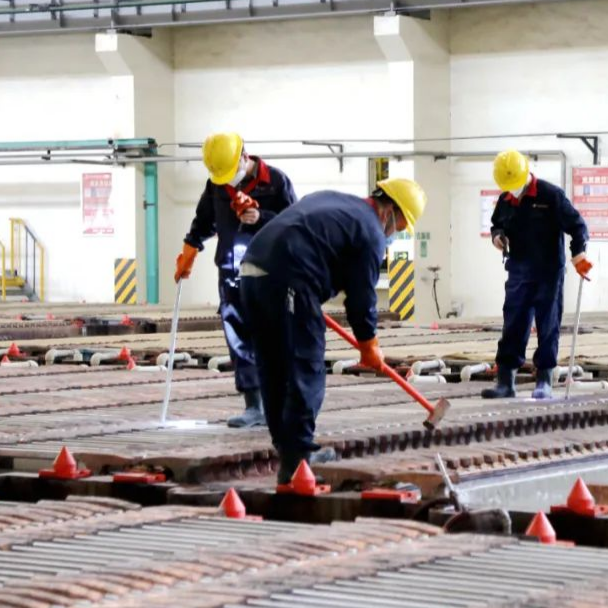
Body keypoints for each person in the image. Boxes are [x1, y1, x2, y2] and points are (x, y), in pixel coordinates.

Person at [239, 178, 427, 483]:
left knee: (273, 366)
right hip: (288, 278)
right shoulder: (371, 232)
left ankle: (290, 453)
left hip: (251, 273)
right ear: (389, 211)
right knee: (307, 365)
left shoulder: (336, 201)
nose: (395, 234)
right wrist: (369, 344)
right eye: (401, 226)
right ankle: (298, 457)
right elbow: (362, 298)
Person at [174, 132, 297, 428]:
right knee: (238, 339)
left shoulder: (276, 182)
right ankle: (254, 406)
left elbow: (295, 222)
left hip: (269, 274)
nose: (228, 179)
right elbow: (205, 220)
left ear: (244, 156)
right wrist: (190, 248)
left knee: (274, 338)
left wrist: (261, 217)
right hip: (231, 274)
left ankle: (283, 404)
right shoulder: (217, 184)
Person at [481, 150, 591, 400]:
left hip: (548, 273)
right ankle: (506, 382)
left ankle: (544, 381)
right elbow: (497, 224)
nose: (512, 191)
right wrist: (497, 236)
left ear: (526, 175)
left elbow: (578, 226)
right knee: (513, 325)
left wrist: (579, 255)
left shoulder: (550, 196)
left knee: (547, 325)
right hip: (518, 271)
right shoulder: (506, 199)